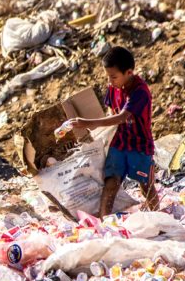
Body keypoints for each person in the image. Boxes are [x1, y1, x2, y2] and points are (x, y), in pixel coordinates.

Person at [59, 46, 156, 216]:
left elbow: (121, 117)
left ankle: (158, 216)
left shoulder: (140, 92)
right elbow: (112, 112)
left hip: (139, 145)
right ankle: (105, 221)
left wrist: (86, 122)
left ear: (129, 72)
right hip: (119, 142)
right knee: (111, 181)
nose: (110, 81)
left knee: (145, 183)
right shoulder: (113, 87)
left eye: (114, 77)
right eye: (108, 77)